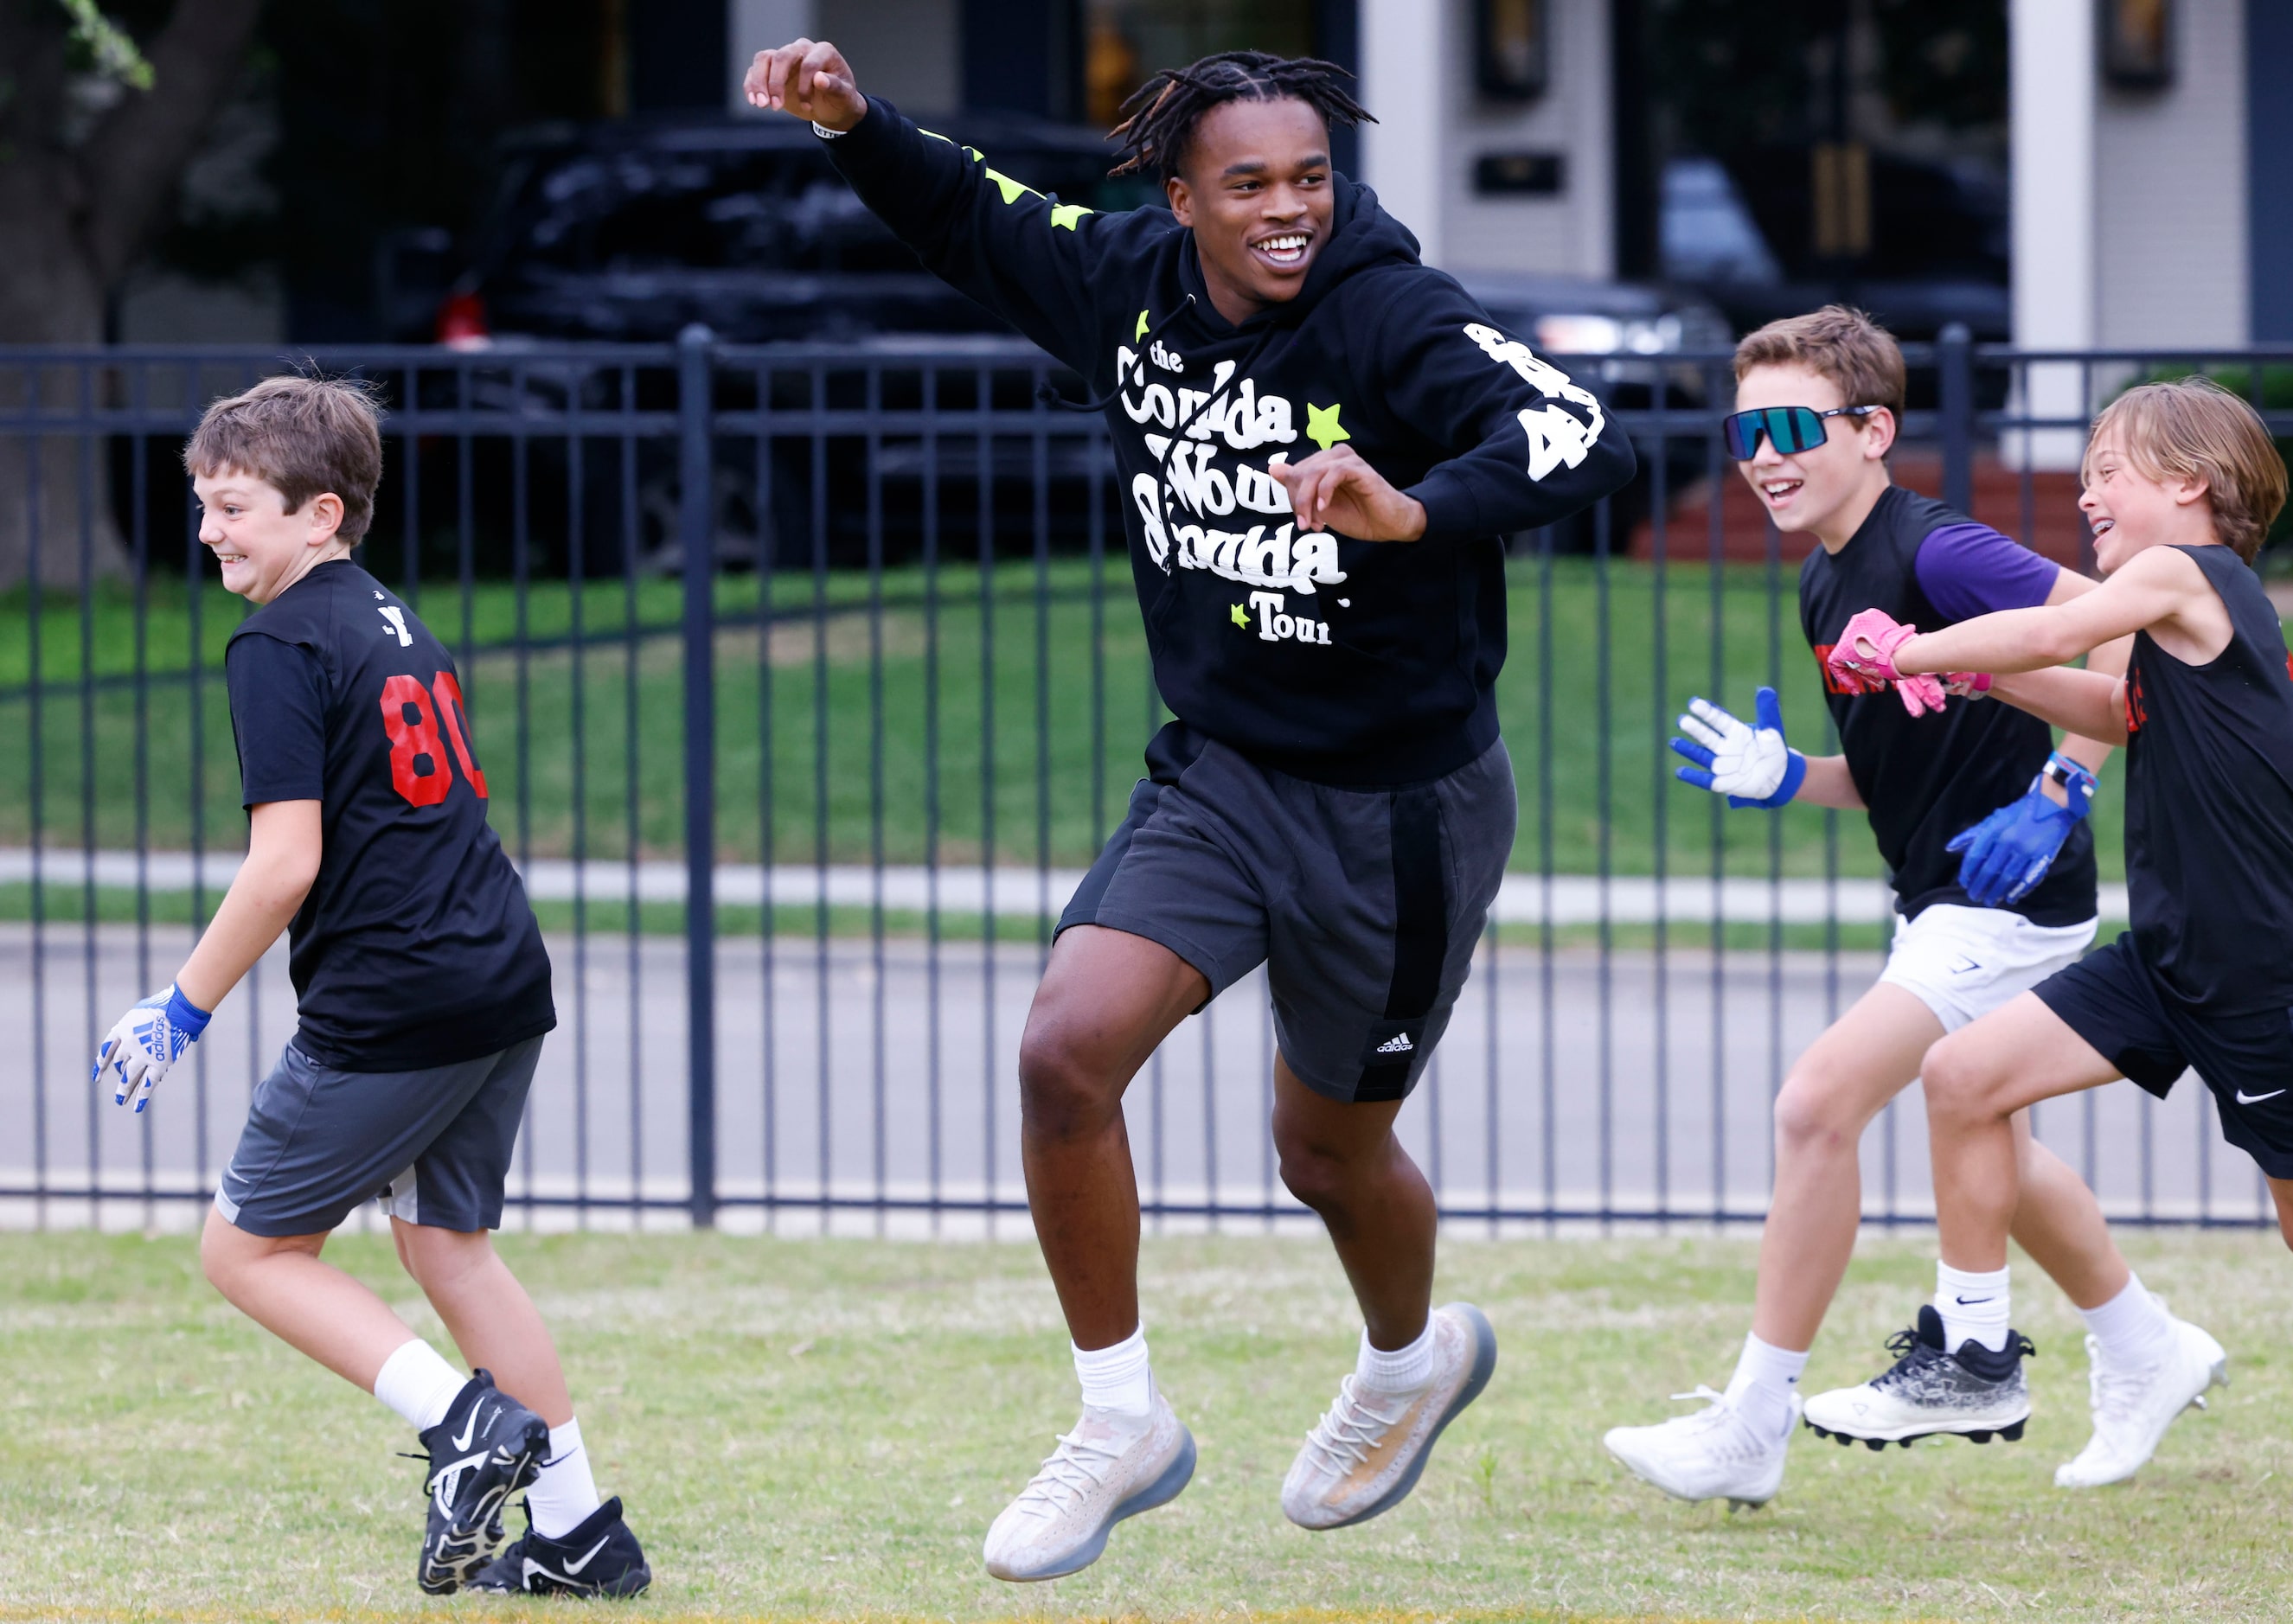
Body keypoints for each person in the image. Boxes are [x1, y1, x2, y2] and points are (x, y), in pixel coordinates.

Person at [744, 37, 1634, 1581]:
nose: (1289, 208)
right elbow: (973, 212)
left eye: (1310, 178)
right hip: (1222, 774)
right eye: (1250, 185)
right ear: (1182, 197)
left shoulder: (1391, 316)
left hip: (1399, 808)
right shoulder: (1129, 283)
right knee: (1063, 1049)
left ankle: (1409, 1359)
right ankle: (1118, 1421)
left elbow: (1572, 432)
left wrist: (1414, 508)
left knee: (1327, 1156)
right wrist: (850, 119)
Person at [1603, 310, 2222, 1509]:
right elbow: (1890, 770)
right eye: (1744, 432)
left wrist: (2058, 787)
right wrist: (1792, 778)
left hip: (2008, 899)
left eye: (1788, 428)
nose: (1761, 456)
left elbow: (2120, 664)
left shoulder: (1938, 551)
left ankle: (1755, 1419)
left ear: (1874, 430)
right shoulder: (1827, 576)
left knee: (1815, 1103)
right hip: (1938, 898)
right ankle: (2151, 1347)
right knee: (2003, 1155)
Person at [1832, 376, 2293, 1555]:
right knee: (1963, 1077)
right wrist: (1964, 672)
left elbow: (2060, 630)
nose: (2086, 488)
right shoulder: (2177, 630)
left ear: (2189, 485)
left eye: (2109, 466)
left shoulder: (2190, 575)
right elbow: (2107, 704)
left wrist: (1910, 640)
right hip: (2168, 959)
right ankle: (1973, 1351)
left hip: (2276, 976)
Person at [90, 375, 649, 1598]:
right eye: (202, 502)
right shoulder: (388, 617)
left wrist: (178, 1006)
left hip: (399, 1002)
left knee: (247, 1251)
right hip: (499, 978)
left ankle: (467, 1425)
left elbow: (285, 863)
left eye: (233, 506)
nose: (208, 530)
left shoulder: (278, 640)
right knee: (449, 1246)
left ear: (320, 515)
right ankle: (579, 1533)